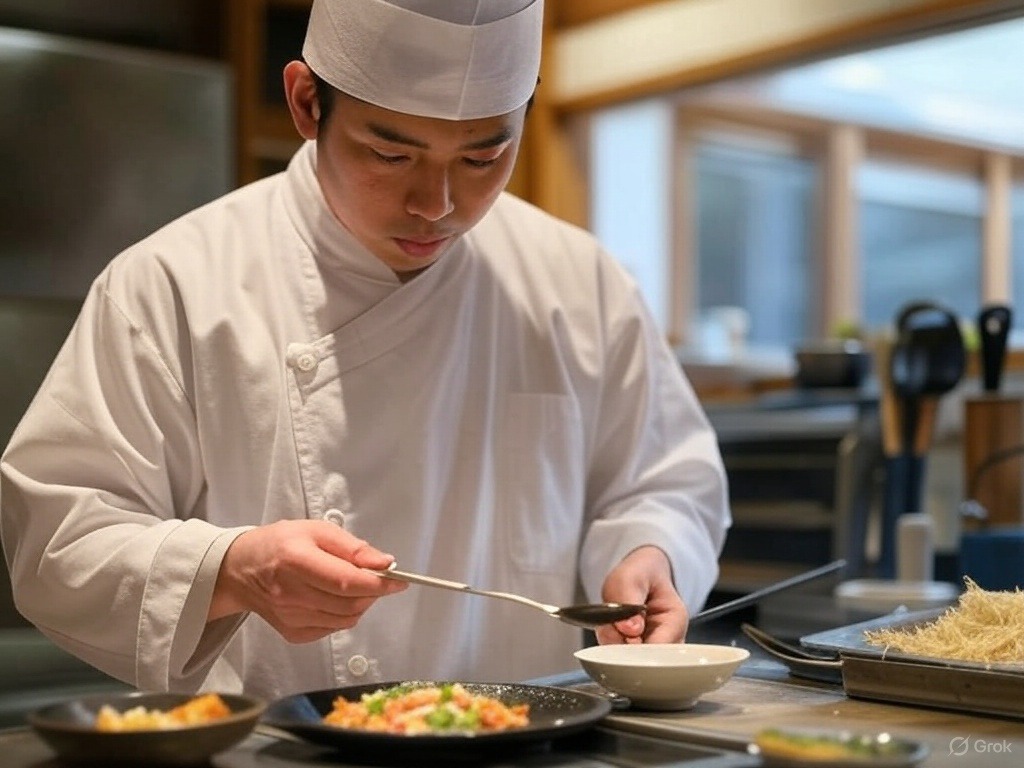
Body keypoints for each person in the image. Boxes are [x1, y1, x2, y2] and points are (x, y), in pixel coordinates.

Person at [0, 0, 730, 702]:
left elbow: (665, 480)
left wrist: (650, 554)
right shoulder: (173, 285)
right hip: (284, 754)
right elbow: (61, 539)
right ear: (305, 102)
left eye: (484, 156)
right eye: (390, 151)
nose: (436, 203)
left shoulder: (579, 281)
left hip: (539, 740)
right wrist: (231, 569)